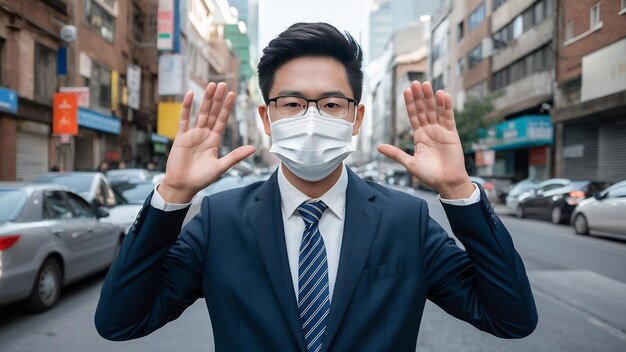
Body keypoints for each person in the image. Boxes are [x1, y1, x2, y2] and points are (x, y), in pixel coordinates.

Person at [95, 23, 537, 351]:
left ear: (356, 119)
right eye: (291, 103)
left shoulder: (405, 220)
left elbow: (511, 317)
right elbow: (120, 321)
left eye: (330, 103)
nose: (311, 119)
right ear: (267, 119)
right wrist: (172, 194)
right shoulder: (220, 221)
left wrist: (459, 189)